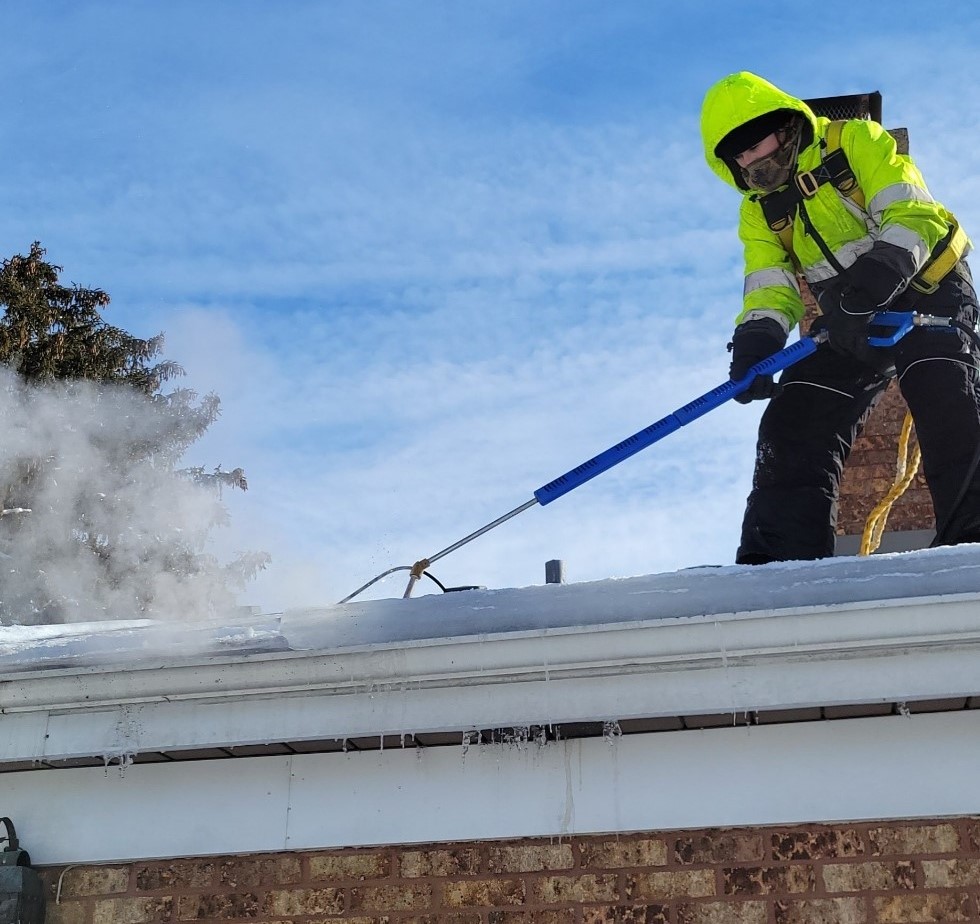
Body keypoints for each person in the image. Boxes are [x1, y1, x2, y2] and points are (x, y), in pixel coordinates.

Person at [700, 71, 980, 563]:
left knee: (939, 382)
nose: (751, 160)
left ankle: (973, 533)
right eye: (738, 155)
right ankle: (781, 563)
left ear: (785, 126)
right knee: (794, 416)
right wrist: (756, 345)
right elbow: (769, 284)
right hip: (850, 320)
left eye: (754, 143)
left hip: (926, 285)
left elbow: (915, 217)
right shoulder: (760, 211)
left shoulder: (855, 141)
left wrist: (869, 289)